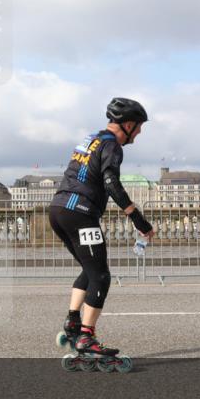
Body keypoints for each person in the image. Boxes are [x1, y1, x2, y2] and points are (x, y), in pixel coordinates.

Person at [49, 97, 154, 357]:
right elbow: (111, 182)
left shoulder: (90, 139)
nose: (139, 133)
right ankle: (87, 336)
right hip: (80, 213)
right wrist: (137, 218)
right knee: (101, 276)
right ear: (128, 124)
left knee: (90, 268)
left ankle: (73, 321)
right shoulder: (112, 146)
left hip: (58, 210)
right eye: (139, 127)